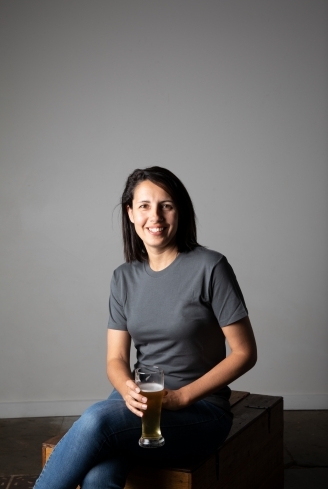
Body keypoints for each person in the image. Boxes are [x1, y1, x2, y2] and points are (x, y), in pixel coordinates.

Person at [34, 166, 257, 489]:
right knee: (99, 476)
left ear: (179, 210)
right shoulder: (123, 278)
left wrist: (181, 398)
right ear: (130, 213)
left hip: (199, 410)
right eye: (144, 206)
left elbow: (245, 352)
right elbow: (115, 360)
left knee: (98, 418)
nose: (156, 216)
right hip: (141, 405)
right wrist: (126, 388)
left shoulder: (211, 267)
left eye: (166, 205)